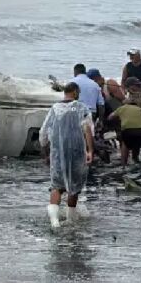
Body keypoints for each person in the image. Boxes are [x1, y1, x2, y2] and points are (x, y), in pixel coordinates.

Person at [40, 82, 94, 229]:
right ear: (76, 92)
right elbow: (88, 129)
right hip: (77, 152)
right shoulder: (82, 107)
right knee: (74, 186)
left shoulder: (55, 108)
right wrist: (90, 150)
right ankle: (71, 219)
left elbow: (43, 132)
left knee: (56, 186)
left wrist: (45, 150)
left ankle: (54, 222)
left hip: (58, 152)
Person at [108, 99, 141, 172]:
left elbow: (110, 117)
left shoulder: (122, 108)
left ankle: (123, 165)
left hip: (127, 131)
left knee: (125, 143)